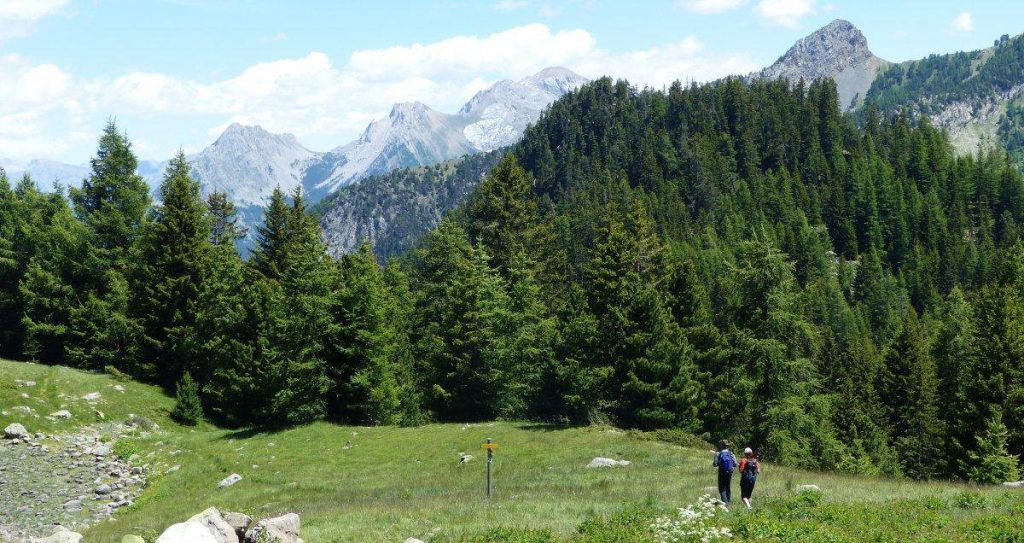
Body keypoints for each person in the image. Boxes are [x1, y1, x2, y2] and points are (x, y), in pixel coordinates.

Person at [712, 439, 736, 506]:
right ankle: (728, 502)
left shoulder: (718, 453)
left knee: (722, 489)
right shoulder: (731, 453)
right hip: (730, 472)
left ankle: (726, 504)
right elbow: (735, 463)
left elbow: (715, 464)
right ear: (727, 445)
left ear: (721, 445)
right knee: (728, 487)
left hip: (722, 472)